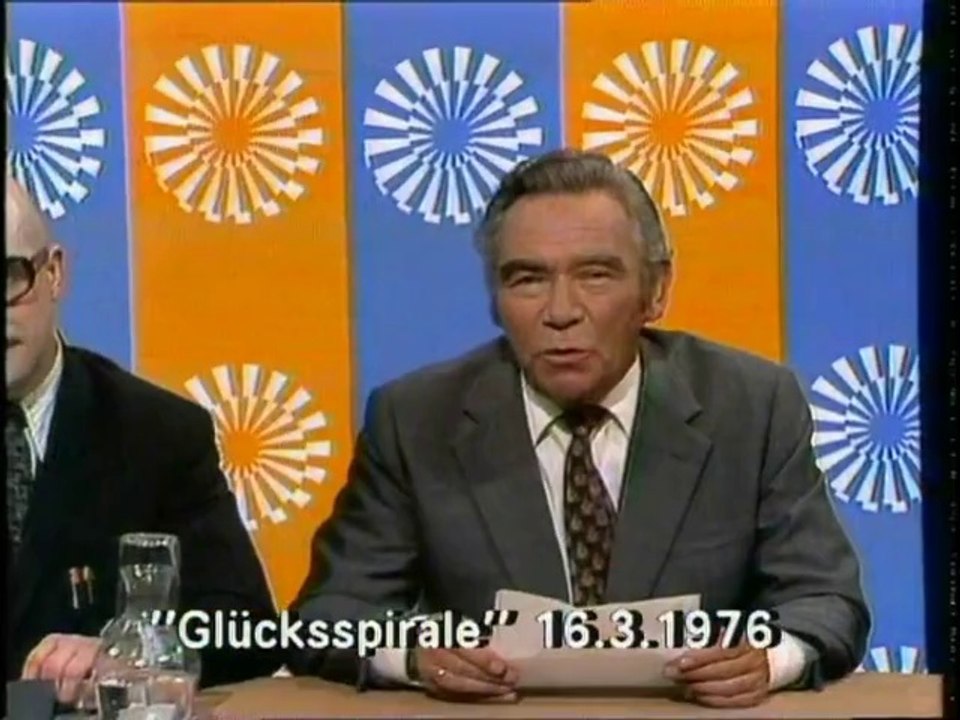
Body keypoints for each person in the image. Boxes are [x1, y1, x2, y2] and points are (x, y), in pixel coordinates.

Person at [289, 149, 870, 708]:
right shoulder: (417, 419)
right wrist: (415, 657)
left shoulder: (751, 406)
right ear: (495, 301)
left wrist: (769, 658)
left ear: (656, 290)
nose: (560, 311)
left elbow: (824, 598)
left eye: (595, 275)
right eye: (527, 279)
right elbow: (329, 615)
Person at [5, 178, 280, 706]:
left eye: (7, 277)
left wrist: (130, 656)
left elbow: (245, 628)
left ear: (53, 272)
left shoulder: (158, 433)